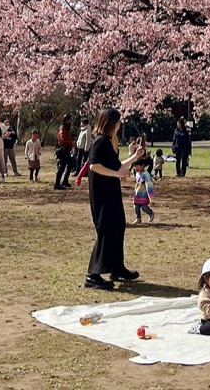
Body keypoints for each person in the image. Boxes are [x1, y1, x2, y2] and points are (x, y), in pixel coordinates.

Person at [84, 108, 146, 290]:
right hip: (102, 194)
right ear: (111, 123)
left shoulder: (107, 142)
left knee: (118, 225)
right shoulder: (100, 141)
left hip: (111, 192)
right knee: (106, 229)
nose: (120, 124)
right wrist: (116, 174)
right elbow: (94, 166)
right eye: (118, 121)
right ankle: (92, 275)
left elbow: (118, 166)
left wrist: (135, 157)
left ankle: (117, 267)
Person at [54, 115, 76, 190]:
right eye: (70, 120)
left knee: (70, 164)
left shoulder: (66, 128)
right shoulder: (62, 128)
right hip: (63, 150)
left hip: (66, 149)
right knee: (62, 166)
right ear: (67, 120)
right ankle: (57, 183)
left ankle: (65, 181)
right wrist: (71, 143)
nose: (71, 121)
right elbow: (62, 140)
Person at [131, 159, 155, 225]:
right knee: (136, 207)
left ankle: (150, 213)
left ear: (143, 166)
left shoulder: (146, 175)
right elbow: (137, 183)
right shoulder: (137, 174)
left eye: (137, 166)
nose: (135, 168)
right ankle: (138, 218)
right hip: (137, 194)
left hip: (144, 195)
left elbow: (149, 186)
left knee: (144, 207)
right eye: (135, 166)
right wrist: (135, 191)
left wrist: (150, 198)